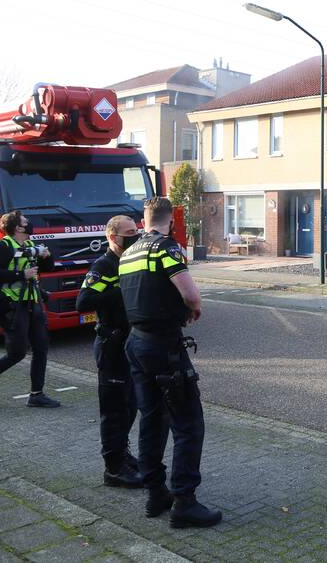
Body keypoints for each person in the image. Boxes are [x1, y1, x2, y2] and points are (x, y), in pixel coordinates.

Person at [119, 197, 221, 528]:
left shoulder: (130, 252)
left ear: (143, 220)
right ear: (171, 222)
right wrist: (194, 307)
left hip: (136, 343)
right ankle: (184, 502)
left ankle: (155, 494)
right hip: (164, 346)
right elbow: (190, 295)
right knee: (188, 424)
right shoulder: (166, 248)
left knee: (151, 420)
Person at [77, 215, 142, 488]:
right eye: (130, 233)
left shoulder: (132, 260)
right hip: (110, 346)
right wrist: (122, 290)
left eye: (137, 231)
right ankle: (113, 469)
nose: (135, 237)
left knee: (130, 405)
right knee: (114, 411)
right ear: (113, 237)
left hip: (129, 345)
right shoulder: (104, 266)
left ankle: (121, 452)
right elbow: (83, 302)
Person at [0, 211, 60, 408]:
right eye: (26, 222)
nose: (30, 224)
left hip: (33, 302)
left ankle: (36, 395)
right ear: (18, 227)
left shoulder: (29, 245)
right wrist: (21, 274)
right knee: (17, 353)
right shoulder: (2, 246)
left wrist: (47, 257)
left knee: (41, 348)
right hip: (12, 306)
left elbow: (48, 268)